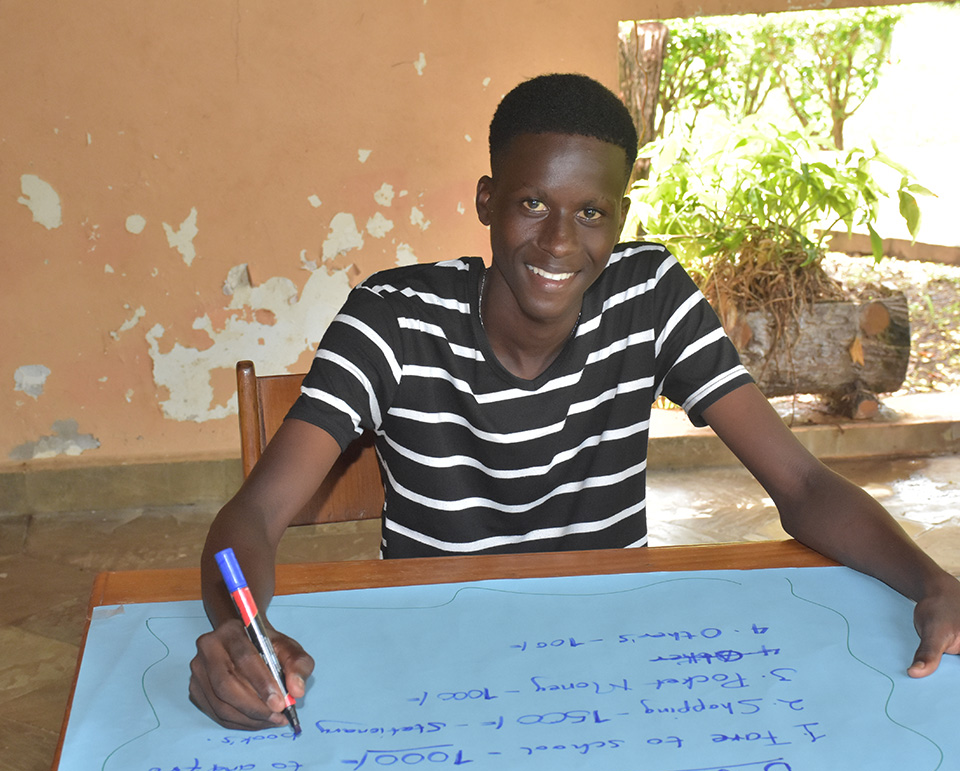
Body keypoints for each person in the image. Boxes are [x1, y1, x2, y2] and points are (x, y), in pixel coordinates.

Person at [189, 73, 960, 731]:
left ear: (618, 218)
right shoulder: (393, 320)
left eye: (591, 212)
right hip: (431, 666)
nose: (559, 242)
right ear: (487, 201)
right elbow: (252, 516)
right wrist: (238, 632)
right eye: (532, 203)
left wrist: (934, 583)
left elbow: (803, 485)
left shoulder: (649, 299)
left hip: (613, 666)